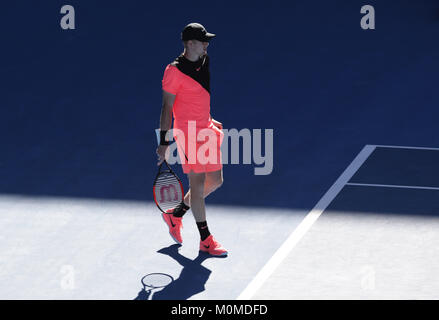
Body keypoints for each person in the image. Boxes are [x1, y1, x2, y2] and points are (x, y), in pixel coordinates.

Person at [156, 23, 227, 257]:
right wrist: (164, 143)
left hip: (206, 128)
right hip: (187, 134)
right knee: (197, 187)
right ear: (189, 44)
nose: (206, 44)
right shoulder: (173, 71)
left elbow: (199, 95)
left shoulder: (205, 60)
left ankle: (175, 215)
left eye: (206, 40)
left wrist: (209, 118)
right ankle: (205, 240)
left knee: (215, 181)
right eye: (202, 40)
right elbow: (167, 108)